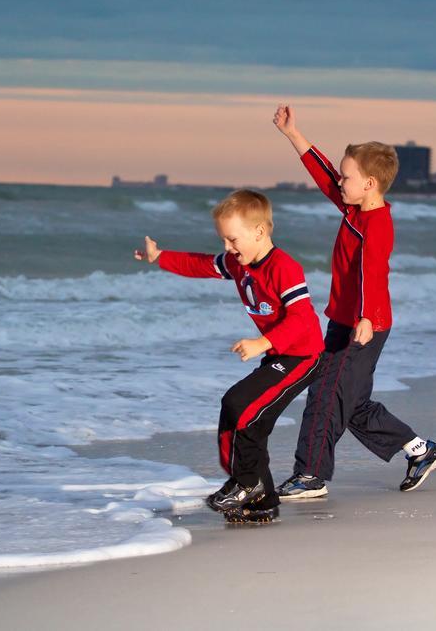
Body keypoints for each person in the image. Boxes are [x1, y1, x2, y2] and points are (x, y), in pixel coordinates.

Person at [272, 104, 436, 499]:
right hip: (348, 321)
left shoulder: (377, 224)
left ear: (369, 183)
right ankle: (420, 450)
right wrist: (293, 134)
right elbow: (323, 176)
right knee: (350, 402)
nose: (340, 181)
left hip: (362, 325)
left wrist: (365, 318)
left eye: (347, 176)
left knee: (325, 397)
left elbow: (373, 273)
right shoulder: (354, 208)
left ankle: (309, 475)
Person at [134, 189, 325, 523]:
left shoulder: (284, 267)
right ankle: (260, 499)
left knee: (242, 406)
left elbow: (304, 320)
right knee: (240, 413)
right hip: (278, 354)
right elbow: (202, 264)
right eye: (224, 240)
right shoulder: (239, 263)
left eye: (233, 240)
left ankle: (246, 483)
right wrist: (159, 257)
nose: (227, 248)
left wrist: (262, 342)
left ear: (259, 232)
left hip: (302, 356)